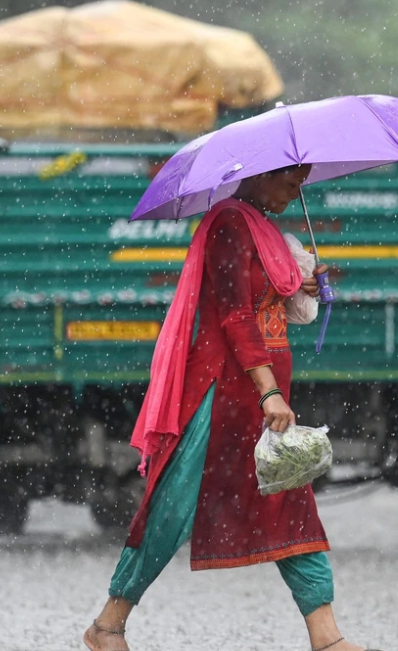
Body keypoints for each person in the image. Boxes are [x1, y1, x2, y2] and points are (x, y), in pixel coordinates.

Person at [84, 165, 379, 651]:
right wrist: (268, 392)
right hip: (224, 396)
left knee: (292, 501)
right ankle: (108, 624)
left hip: (262, 399)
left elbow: (264, 303)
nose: (297, 189)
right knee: (172, 509)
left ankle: (327, 638)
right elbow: (235, 316)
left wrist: (300, 287)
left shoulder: (263, 229)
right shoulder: (228, 225)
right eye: (290, 180)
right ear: (263, 175)